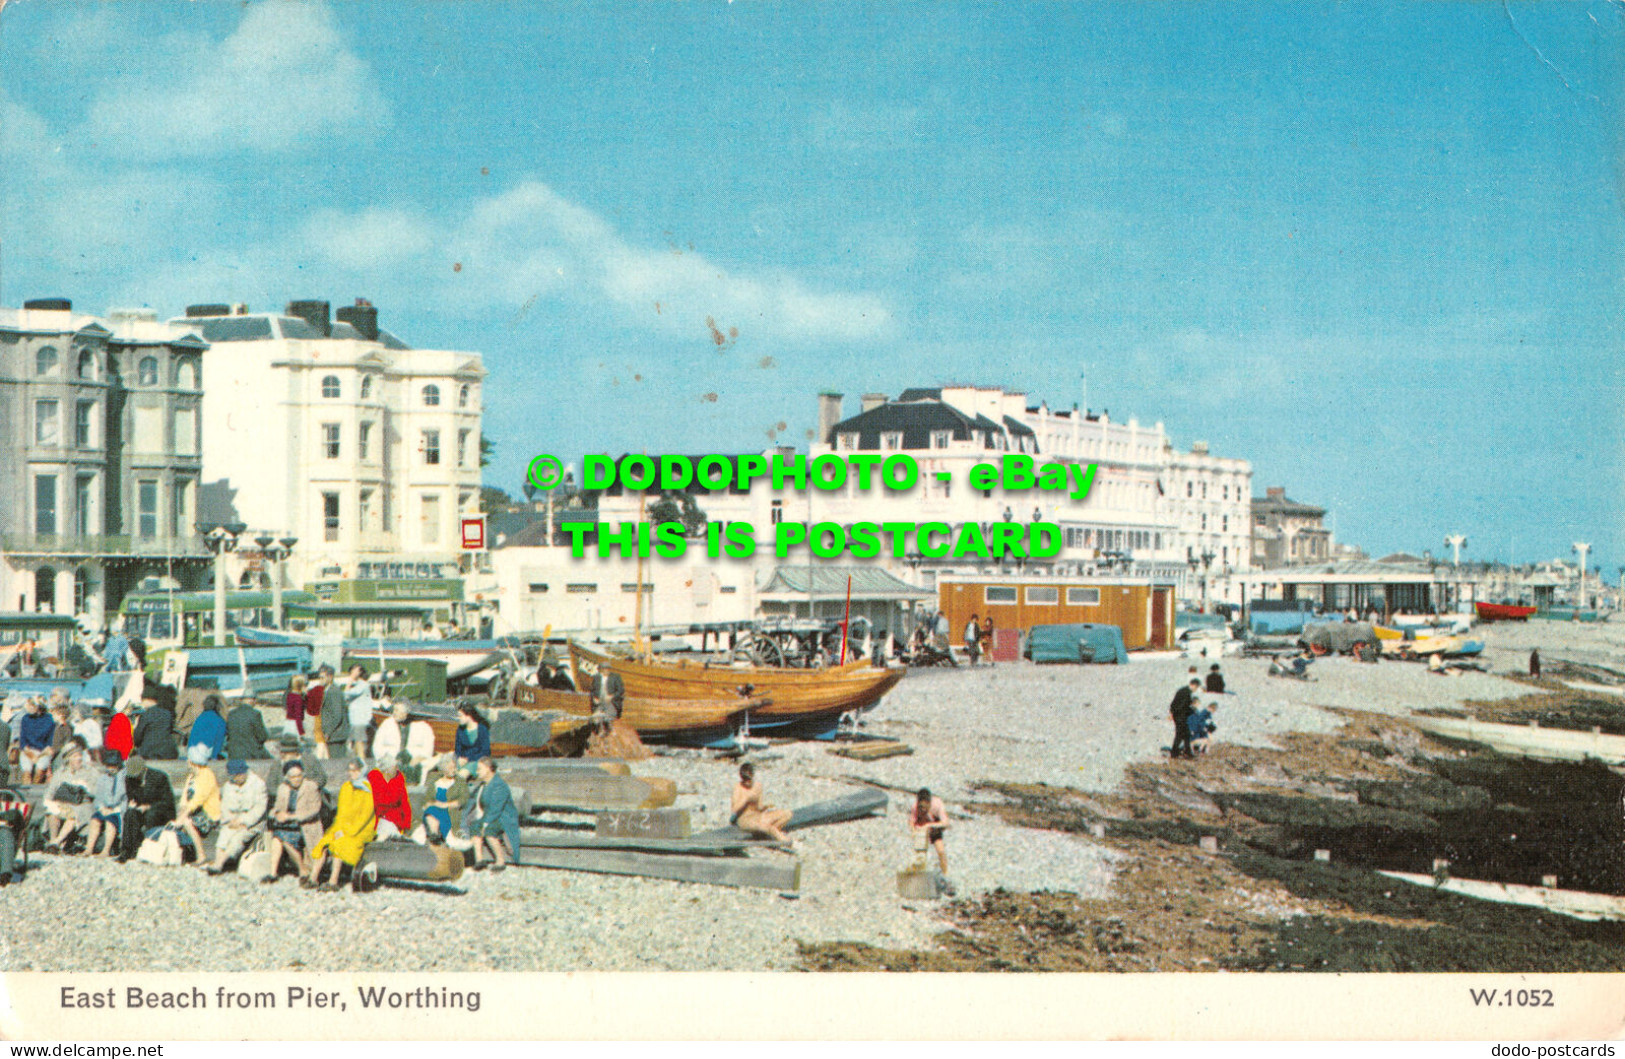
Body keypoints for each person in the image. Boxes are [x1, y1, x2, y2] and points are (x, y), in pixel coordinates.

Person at [309, 758, 376, 891]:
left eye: (355, 770)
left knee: (339, 844)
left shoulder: (370, 791)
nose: (352, 773)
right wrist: (338, 829)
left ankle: (333, 881)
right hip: (343, 827)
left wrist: (346, 831)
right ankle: (313, 878)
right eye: (350, 770)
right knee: (325, 842)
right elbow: (341, 813)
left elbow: (364, 818)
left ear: (362, 771)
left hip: (361, 830)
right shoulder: (346, 787)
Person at [206, 759, 269, 874]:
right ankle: (217, 862)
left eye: (240, 774)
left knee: (237, 839)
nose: (237, 778)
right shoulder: (228, 786)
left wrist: (243, 821)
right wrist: (231, 822)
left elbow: (259, 809)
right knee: (224, 835)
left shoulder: (258, 784)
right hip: (232, 821)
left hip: (253, 823)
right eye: (234, 775)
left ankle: (220, 864)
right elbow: (225, 807)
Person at [266, 760, 324, 884]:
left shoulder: (310, 787)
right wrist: (277, 814)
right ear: (287, 778)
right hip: (287, 824)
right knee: (277, 838)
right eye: (293, 777)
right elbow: (277, 806)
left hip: (306, 825)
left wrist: (290, 817)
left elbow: (314, 810)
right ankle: (272, 873)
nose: (297, 779)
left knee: (281, 837)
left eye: (299, 775)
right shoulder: (283, 788)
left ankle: (302, 869)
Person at [464, 756, 519, 871]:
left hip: (503, 817)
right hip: (489, 816)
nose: (477, 772)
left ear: (489, 768)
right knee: (475, 826)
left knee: (489, 830)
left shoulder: (499, 785)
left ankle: (500, 861)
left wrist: (485, 823)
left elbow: (496, 808)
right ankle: (479, 860)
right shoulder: (483, 786)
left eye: (479, 769)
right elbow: (472, 802)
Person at [118, 755, 176, 863]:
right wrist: (133, 804)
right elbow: (131, 796)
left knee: (151, 815)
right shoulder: (129, 779)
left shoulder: (159, 777)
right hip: (140, 809)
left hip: (160, 810)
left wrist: (149, 806)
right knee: (130, 814)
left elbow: (167, 802)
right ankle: (127, 850)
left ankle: (148, 848)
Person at [41, 744, 97, 852]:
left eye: (80, 755)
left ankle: (57, 842)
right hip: (64, 803)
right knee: (52, 811)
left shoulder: (90, 771)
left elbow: (96, 792)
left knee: (73, 814)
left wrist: (86, 787)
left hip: (82, 804)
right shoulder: (60, 773)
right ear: (68, 758)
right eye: (75, 756)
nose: (79, 758)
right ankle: (53, 840)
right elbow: (50, 792)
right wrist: (49, 803)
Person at [174, 745, 222, 863]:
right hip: (194, 811)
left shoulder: (207, 775)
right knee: (180, 821)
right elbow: (185, 797)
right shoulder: (192, 776)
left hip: (209, 814)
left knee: (186, 821)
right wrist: (181, 810)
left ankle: (201, 855)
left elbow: (198, 800)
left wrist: (183, 816)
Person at [730, 761, 791, 844]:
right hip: (745, 819)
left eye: (748, 779)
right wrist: (746, 798)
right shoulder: (738, 788)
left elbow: (759, 807)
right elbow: (734, 809)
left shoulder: (758, 786)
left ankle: (768, 833)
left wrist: (766, 807)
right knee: (768, 827)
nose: (747, 782)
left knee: (787, 814)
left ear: (752, 776)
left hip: (758, 815)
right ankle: (785, 841)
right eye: (745, 779)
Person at [83, 748, 128, 857]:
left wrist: (116, 809)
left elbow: (126, 798)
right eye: (109, 766)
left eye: (113, 766)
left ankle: (106, 850)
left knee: (110, 821)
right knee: (95, 819)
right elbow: (99, 796)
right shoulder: (103, 778)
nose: (110, 768)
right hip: (105, 807)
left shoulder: (125, 778)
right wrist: (101, 807)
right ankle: (89, 849)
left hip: (118, 809)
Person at [420, 756, 468, 844]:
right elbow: (427, 799)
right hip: (435, 809)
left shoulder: (460, 781)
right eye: (451, 768)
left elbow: (463, 800)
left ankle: (439, 834)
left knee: (435, 811)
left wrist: (445, 805)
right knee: (430, 810)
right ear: (443, 769)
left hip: (450, 810)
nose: (454, 770)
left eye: (455, 767)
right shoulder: (435, 781)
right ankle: (434, 834)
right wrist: (432, 803)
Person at [366, 757, 411, 840]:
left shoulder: (398, 779)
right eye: (395, 767)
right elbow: (376, 802)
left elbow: (405, 803)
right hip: (377, 817)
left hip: (395, 819)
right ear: (386, 769)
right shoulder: (375, 779)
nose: (397, 769)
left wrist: (406, 824)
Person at [131, 683, 179, 760]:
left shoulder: (146, 715)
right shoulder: (167, 714)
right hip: (168, 753)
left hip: (149, 753)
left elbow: (136, 739)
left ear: (147, 699)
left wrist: (136, 726)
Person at [910, 787, 949, 875]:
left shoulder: (937, 804)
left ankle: (945, 873)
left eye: (925, 807)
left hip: (934, 825)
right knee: (919, 854)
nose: (923, 809)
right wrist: (914, 831)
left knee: (941, 851)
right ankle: (918, 874)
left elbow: (946, 822)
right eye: (921, 807)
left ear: (929, 803)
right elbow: (912, 821)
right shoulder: (915, 807)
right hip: (921, 825)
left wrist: (929, 825)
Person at [17, 696, 56, 783]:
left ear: (39, 707)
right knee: (27, 771)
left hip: (43, 751)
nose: (30, 707)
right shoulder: (26, 718)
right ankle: (25, 792)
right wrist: (30, 753)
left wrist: (40, 755)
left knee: (40, 770)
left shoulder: (49, 719)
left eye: (33, 705)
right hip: (28, 750)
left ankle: (35, 791)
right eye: (29, 705)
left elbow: (50, 742)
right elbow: (22, 740)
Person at [343, 666, 376, 759]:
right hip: (354, 720)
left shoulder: (363, 685)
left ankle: (363, 763)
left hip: (360, 720)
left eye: (354, 671)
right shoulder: (358, 685)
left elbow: (347, 693)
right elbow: (345, 698)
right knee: (355, 744)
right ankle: (358, 762)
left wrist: (350, 681)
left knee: (359, 742)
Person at [319, 669, 350, 760]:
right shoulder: (329, 690)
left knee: (337, 763)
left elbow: (337, 715)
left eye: (322, 678)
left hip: (336, 735)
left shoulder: (334, 692)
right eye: (319, 678)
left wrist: (328, 732)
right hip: (335, 735)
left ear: (330, 677)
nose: (320, 680)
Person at [454, 703, 491, 774]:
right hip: (463, 761)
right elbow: (458, 749)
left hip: (477, 761)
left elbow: (485, 751)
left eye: (460, 716)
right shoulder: (460, 730)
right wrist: (459, 758)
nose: (458, 718)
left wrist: (468, 759)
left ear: (468, 716)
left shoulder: (482, 729)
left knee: (462, 774)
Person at [187, 695, 227, 760]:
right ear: (217, 706)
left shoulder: (199, 718)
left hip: (191, 752)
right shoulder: (219, 721)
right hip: (205, 754)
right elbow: (218, 741)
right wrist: (214, 757)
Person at [1168, 678, 1200, 760]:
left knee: (1186, 734)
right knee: (1180, 734)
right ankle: (1174, 753)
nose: (1196, 690)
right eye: (1196, 688)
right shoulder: (1186, 692)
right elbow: (1182, 706)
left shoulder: (1184, 690)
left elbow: (1174, 703)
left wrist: (1172, 712)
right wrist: (1192, 711)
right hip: (1180, 716)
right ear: (1193, 685)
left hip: (1179, 715)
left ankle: (1187, 752)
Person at [590, 665, 624, 729]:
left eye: (608, 669)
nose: (606, 671)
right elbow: (592, 691)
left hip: (611, 703)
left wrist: (612, 696)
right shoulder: (597, 678)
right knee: (595, 719)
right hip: (600, 704)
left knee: (608, 719)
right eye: (604, 669)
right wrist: (594, 698)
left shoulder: (615, 677)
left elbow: (621, 691)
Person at [306, 668, 332, 752]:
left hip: (318, 717)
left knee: (320, 742)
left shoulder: (313, 690)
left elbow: (310, 710)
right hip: (327, 718)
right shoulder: (327, 689)